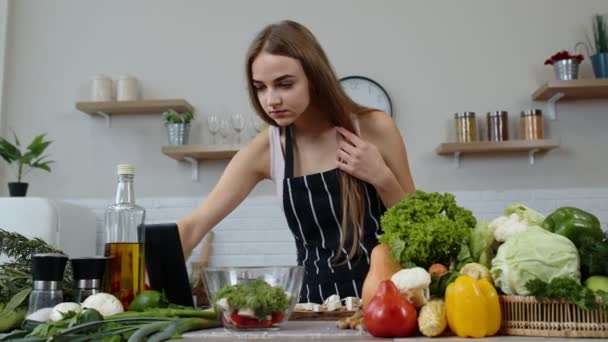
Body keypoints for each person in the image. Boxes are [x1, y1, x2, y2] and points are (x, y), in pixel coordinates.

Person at [177, 20, 415, 304]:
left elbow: (416, 228)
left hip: (386, 304)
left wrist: (382, 177)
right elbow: (194, 226)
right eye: (260, 88)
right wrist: (147, 264)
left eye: (284, 84)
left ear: (314, 78)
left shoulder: (375, 127)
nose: (271, 100)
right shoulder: (266, 150)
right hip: (313, 307)